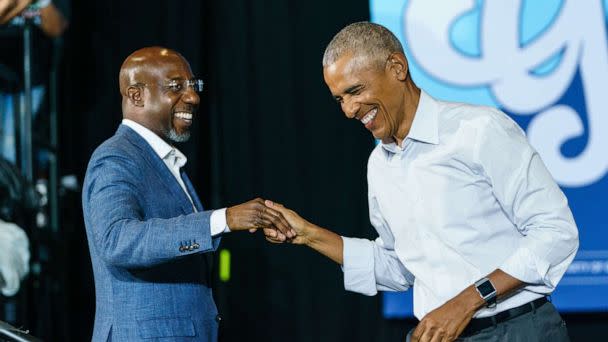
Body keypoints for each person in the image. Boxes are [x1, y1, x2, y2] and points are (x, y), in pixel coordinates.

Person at [263, 22, 579, 342]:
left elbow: (555, 232)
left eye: (355, 91)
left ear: (397, 68)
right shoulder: (379, 166)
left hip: (517, 331)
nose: (348, 110)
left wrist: (466, 302)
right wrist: (308, 235)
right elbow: (398, 268)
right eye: (339, 99)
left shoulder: (478, 130)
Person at [82, 47, 294, 342]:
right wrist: (223, 219)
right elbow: (117, 240)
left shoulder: (164, 161)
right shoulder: (116, 157)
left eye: (194, 86)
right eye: (176, 87)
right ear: (136, 95)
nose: (193, 97)